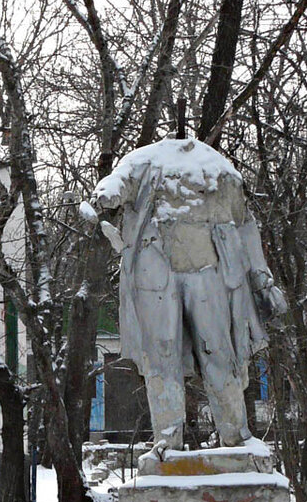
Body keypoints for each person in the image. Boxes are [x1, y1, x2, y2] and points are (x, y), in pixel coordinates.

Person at [86, 138, 286, 449]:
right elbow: (119, 182)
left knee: (220, 353)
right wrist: (105, 195)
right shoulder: (146, 161)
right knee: (161, 356)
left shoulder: (220, 169)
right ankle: (168, 439)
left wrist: (263, 281)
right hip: (157, 276)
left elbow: (246, 227)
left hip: (211, 277)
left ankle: (235, 437)